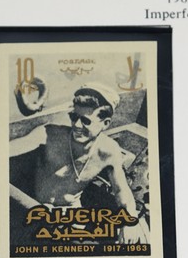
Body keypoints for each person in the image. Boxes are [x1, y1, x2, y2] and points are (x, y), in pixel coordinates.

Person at [9, 84, 147, 243]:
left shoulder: (109, 151)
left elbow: (121, 190)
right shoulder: (48, 134)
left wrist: (129, 220)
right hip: (35, 209)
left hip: (72, 215)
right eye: (74, 117)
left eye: (86, 121)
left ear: (106, 123)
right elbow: (4, 151)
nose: (77, 125)